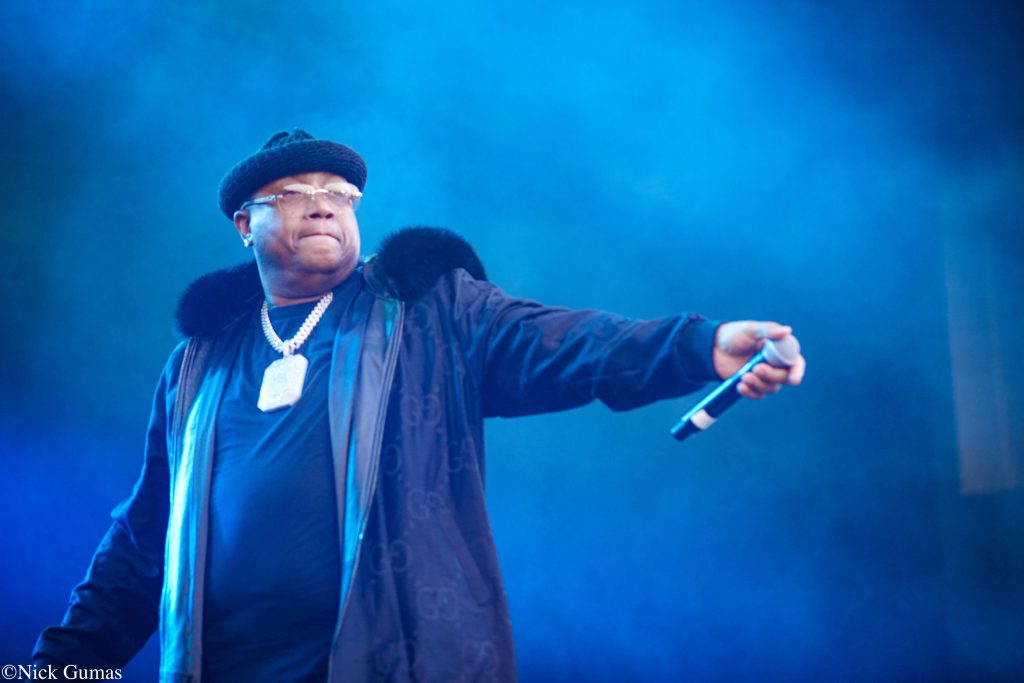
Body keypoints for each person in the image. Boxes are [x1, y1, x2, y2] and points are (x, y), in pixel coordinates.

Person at [34, 129, 805, 682]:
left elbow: (563, 343)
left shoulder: (427, 311)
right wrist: (54, 671)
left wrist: (701, 344)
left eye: (339, 194)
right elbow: (143, 544)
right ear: (245, 224)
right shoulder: (197, 364)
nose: (323, 205)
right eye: (295, 193)